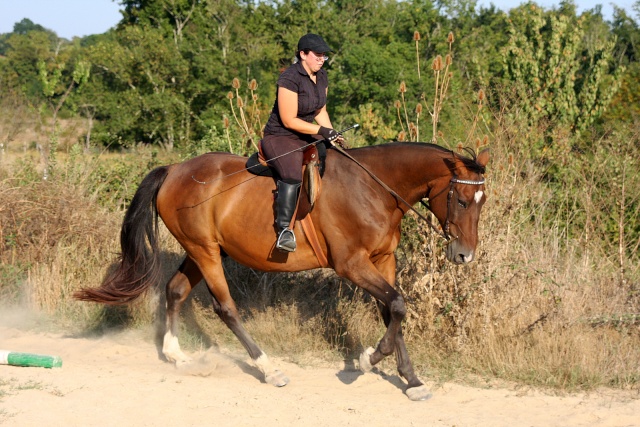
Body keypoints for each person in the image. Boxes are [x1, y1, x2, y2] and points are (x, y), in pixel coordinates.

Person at [261, 33, 344, 253]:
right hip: (281, 135)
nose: (321, 59)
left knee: (337, 158)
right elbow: (289, 120)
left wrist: (332, 134)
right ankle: (284, 231)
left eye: (324, 55)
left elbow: (320, 110)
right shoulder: (289, 78)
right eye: (317, 55)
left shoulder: (322, 75)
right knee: (292, 175)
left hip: (306, 132)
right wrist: (321, 131)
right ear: (303, 54)